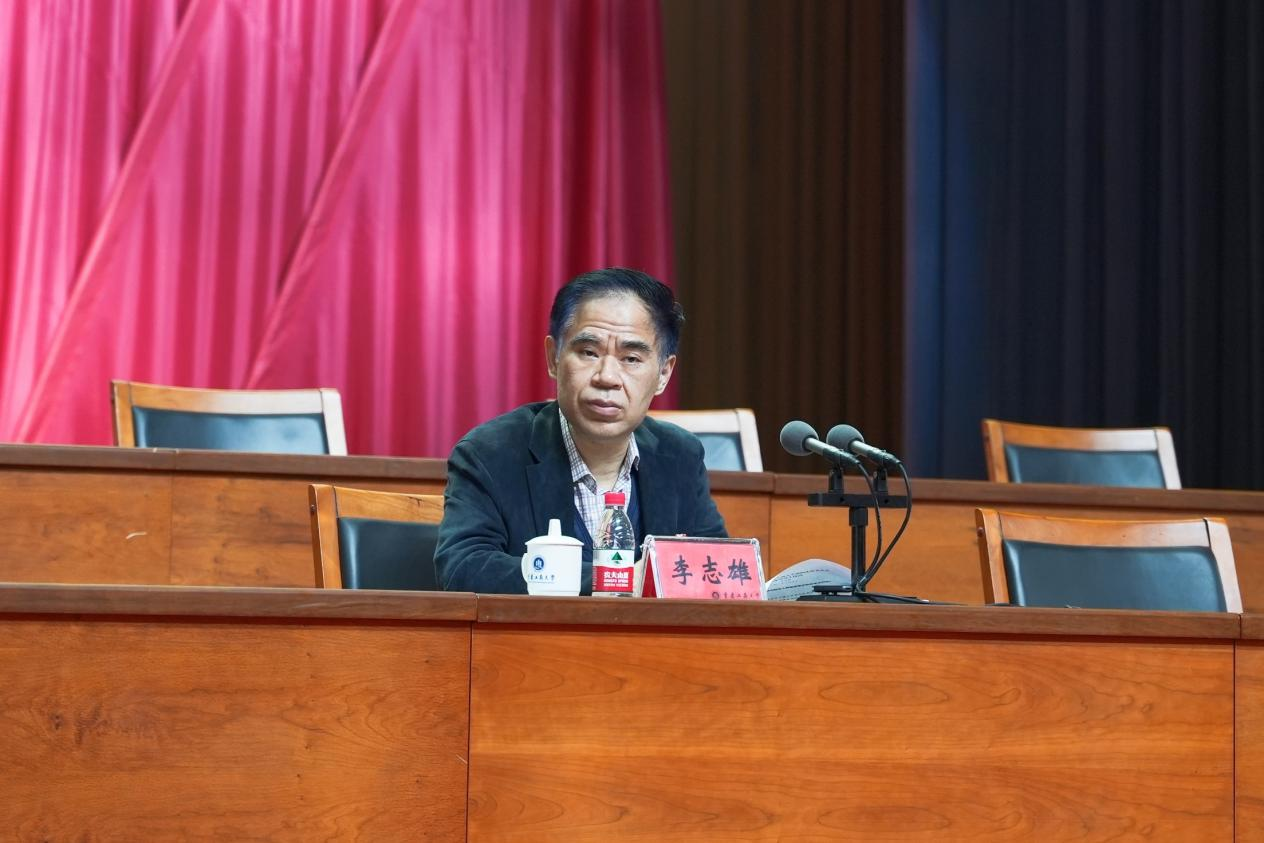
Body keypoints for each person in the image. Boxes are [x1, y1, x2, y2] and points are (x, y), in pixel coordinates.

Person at [435, 267, 728, 593]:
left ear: (663, 374)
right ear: (554, 358)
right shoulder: (491, 453)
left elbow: (713, 569)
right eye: (589, 353)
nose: (607, 377)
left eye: (631, 359)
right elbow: (464, 568)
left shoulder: (679, 455)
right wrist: (618, 579)